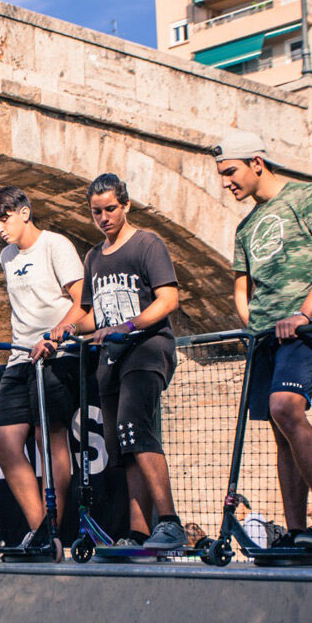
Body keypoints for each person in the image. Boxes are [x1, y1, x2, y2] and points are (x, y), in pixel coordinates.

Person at [214, 130, 312, 562]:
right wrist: (252, 323)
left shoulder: (306, 196)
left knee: (286, 408)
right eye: (220, 174)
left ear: (257, 162)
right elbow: (241, 286)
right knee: (279, 433)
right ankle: (296, 534)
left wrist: (304, 314)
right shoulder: (245, 226)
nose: (225, 182)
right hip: (265, 337)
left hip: (303, 327)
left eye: (230, 171)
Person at [54, 173, 186, 551]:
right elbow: (92, 314)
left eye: (111, 208)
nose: (104, 217)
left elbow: (167, 300)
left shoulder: (147, 244)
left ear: (126, 205)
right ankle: (139, 533)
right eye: (96, 211)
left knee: (134, 427)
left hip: (146, 350)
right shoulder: (94, 257)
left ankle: (171, 522)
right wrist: (65, 329)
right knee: (122, 445)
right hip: (110, 360)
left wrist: (129, 325)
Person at [0, 186, 84, 551]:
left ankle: (53, 526)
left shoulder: (56, 245)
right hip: (19, 357)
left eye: (4, 219)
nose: (0, 229)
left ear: (25, 212)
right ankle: (41, 530)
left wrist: (57, 337)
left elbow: (81, 301)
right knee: (2, 440)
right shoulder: (6, 256)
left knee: (48, 436)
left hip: (58, 354)